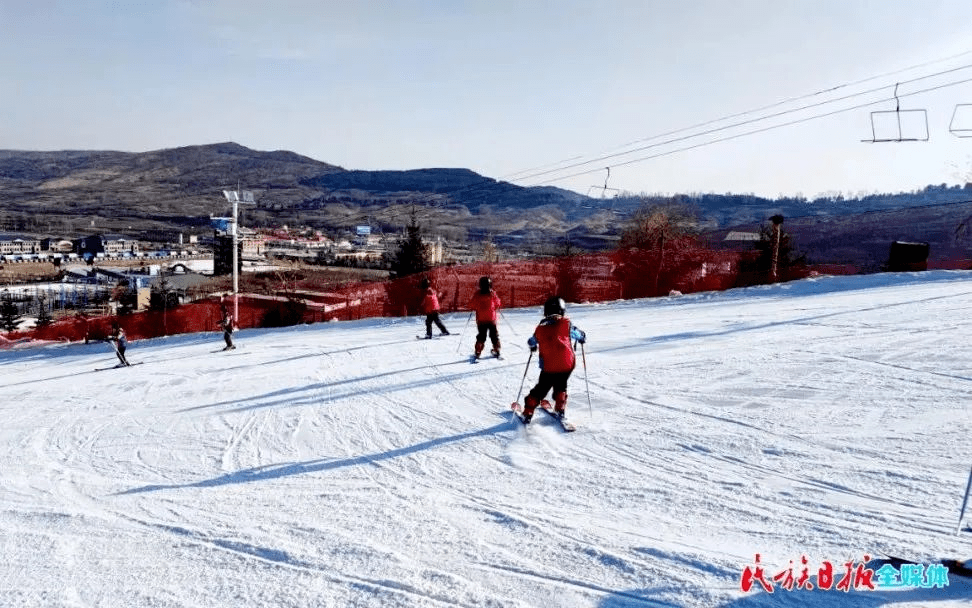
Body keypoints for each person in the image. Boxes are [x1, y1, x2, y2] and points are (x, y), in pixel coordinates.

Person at [521, 296, 586, 423]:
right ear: (562, 310)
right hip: (567, 364)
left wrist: (533, 346)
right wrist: (582, 337)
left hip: (549, 367)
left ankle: (528, 411)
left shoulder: (540, 328)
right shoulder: (567, 324)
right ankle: (560, 408)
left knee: (541, 389)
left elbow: (531, 341)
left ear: (546, 312)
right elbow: (579, 335)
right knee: (561, 385)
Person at [468, 276, 501, 359]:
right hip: (491, 319)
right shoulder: (492, 293)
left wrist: (474, 307)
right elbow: (497, 303)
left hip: (481, 319)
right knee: (494, 335)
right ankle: (497, 349)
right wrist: (495, 307)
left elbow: (472, 304)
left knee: (481, 336)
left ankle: (478, 350)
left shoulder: (477, 294)